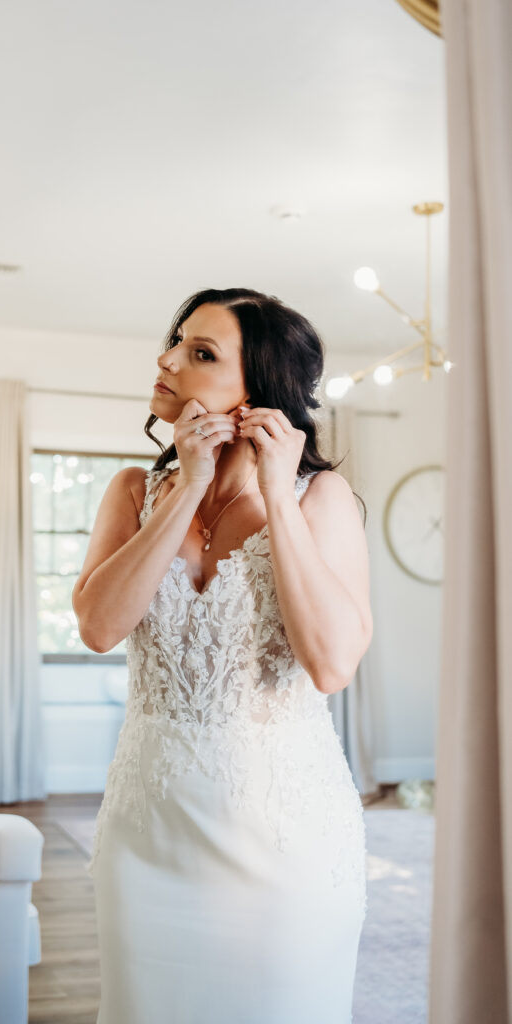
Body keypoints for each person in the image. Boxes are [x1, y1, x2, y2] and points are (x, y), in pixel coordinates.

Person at [72, 287, 372, 1024]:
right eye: (176, 340)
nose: (166, 359)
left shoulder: (320, 498)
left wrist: (275, 490)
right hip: (147, 836)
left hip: (284, 839)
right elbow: (100, 627)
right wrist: (187, 486)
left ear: (258, 390)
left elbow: (331, 665)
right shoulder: (131, 491)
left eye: (200, 353)